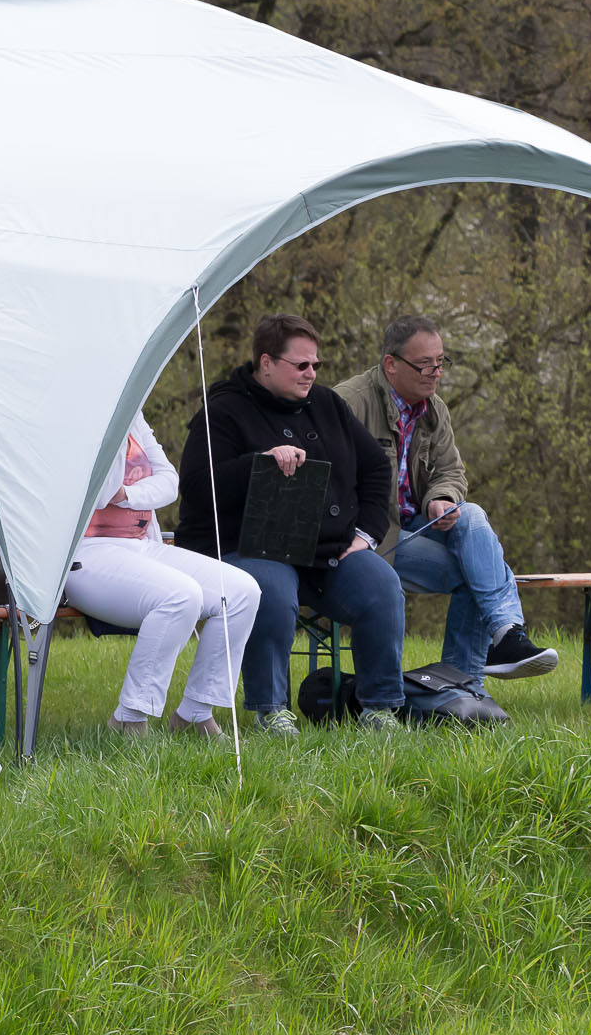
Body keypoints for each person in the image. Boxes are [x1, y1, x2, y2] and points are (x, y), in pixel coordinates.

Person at [175, 313, 407, 735]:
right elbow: (193, 485)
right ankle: (271, 709)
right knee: (272, 590)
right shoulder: (224, 410)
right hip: (246, 547)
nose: (312, 373)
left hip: (327, 550)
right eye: (302, 365)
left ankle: (379, 706)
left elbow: (376, 467)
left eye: (316, 364)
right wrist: (257, 465)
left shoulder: (327, 405)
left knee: (380, 585)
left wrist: (367, 535)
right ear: (266, 363)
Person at [335, 315, 557, 687]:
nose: (435, 373)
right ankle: (468, 683)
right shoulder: (349, 404)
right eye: (424, 364)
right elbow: (327, 482)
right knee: (479, 572)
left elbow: (452, 472)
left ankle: (502, 637)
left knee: (470, 517)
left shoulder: (434, 410)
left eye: (440, 362)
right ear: (391, 364)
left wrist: (440, 498)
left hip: (414, 530)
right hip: (369, 542)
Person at [62, 411, 261, 737]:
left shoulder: (133, 416)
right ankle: (129, 716)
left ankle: (195, 712)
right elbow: (100, 489)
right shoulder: (80, 417)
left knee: (240, 591)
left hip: (143, 545)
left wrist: (129, 495)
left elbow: (170, 483)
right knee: (181, 595)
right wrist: (113, 420)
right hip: (86, 554)